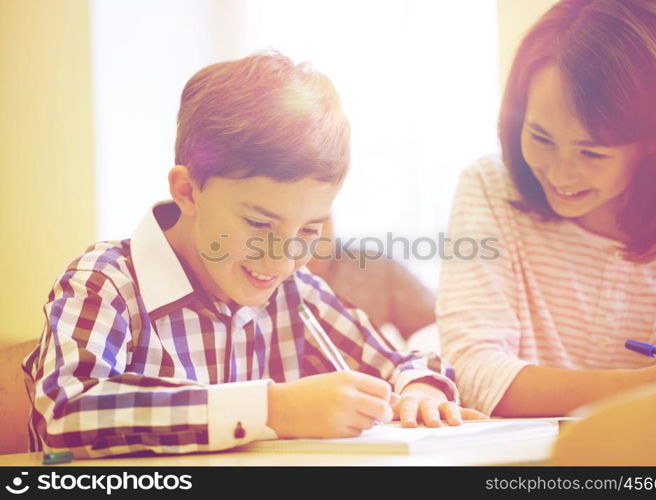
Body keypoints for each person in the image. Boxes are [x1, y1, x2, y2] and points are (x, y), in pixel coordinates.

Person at [23, 52, 484, 458]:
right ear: (188, 191)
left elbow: (403, 362)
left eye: (309, 229)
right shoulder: (105, 283)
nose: (284, 259)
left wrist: (420, 387)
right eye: (259, 225)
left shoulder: (293, 294)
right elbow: (65, 414)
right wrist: (272, 408)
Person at [437, 0, 656, 417]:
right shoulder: (489, 187)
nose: (559, 175)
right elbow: (471, 369)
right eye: (540, 138)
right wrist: (650, 386)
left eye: (591, 153)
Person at [306, 218, 436, 342]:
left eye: (320, 224)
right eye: (304, 230)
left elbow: (437, 324)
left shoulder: (376, 268)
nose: (313, 243)